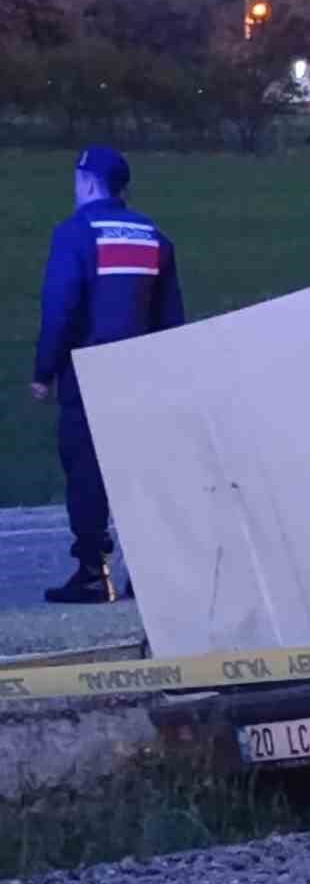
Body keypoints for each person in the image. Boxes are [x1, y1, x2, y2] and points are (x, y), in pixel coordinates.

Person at [31, 147, 184, 604]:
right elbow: (170, 314)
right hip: (142, 370)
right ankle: (151, 574)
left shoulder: (75, 234)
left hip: (90, 371)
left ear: (90, 183)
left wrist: (45, 371)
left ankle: (93, 573)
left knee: (86, 471)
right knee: (140, 471)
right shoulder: (154, 236)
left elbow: (61, 307)